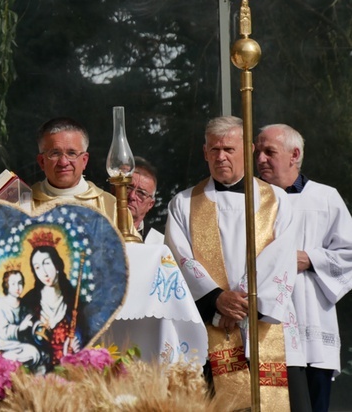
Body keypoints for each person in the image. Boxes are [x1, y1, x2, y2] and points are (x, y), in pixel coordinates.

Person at [165, 116, 307, 410]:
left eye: (229, 149)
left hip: (266, 325)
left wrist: (242, 301)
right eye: (214, 150)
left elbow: (280, 258)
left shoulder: (277, 200)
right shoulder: (183, 203)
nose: (221, 157)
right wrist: (216, 300)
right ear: (204, 153)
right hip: (211, 328)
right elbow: (178, 259)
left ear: (248, 149)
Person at [256, 123, 352, 412]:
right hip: (264, 327)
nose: (260, 159)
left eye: (269, 151)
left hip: (312, 324)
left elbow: (349, 252)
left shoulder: (325, 198)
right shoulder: (250, 201)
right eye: (257, 151)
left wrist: (310, 259)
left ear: (294, 154)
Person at [31, 117, 120, 227]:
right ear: (42, 162)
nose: (63, 162)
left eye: (71, 153)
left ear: (84, 160)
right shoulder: (23, 204)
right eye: (55, 153)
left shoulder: (111, 207)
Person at [20, 241, 82, 370]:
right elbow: (22, 341)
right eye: (37, 267)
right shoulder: (29, 302)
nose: (44, 272)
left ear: (57, 265)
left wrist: (73, 348)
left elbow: (81, 334)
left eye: (47, 263)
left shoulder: (73, 300)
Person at [0, 267, 41, 369]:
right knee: (9, 358)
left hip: (18, 344)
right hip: (1, 344)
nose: (18, 287)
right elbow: (2, 333)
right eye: (13, 284)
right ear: (7, 285)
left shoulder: (24, 304)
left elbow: (31, 321)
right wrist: (19, 328)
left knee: (34, 354)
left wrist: (37, 326)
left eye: (20, 283)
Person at [127, 156, 164, 244]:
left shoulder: (160, 244)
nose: (132, 196)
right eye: (127, 187)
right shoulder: (95, 229)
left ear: (150, 204)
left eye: (141, 193)